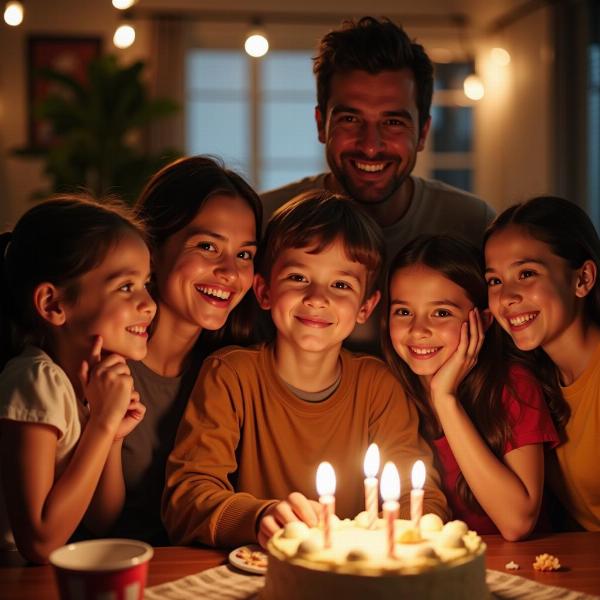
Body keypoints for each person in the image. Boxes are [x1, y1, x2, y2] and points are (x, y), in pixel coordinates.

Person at [162, 190, 448, 550]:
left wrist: (408, 533)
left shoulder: (379, 386)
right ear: (264, 291)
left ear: (366, 306)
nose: (317, 297)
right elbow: (187, 497)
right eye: (298, 277)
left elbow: (420, 495)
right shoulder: (230, 375)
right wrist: (258, 518)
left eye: (341, 285)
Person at [262, 16, 495, 354]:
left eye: (393, 122)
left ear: (424, 133)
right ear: (321, 124)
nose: (370, 145)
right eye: (351, 119)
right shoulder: (268, 219)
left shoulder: (471, 223)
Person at [107, 155, 263, 544]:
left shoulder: (236, 371)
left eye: (244, 254)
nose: (230, 272)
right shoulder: (101, 363)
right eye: (208, 246)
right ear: (152, 250)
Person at [0, 196, 155, 563]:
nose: (149, 303)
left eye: (147, 283)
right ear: (53, 304)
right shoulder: (36, 379)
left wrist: (111, 436)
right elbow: (39, 543)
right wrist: (100, 425)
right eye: (125, 287)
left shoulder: (83, 385)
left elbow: (102, 519)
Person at [382, 235, 567, 539]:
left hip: (518, 568)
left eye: (441, 313)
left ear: (482, 319)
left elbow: (517, 522)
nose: (418, 330)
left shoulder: (512, 386)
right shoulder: (388, 390)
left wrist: (445, 398)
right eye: (403, 312)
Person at [484, 196, 600, 531]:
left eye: (527, 273)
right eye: (495, 280)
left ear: (582, 279)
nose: (507, 296)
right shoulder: (528, 379)